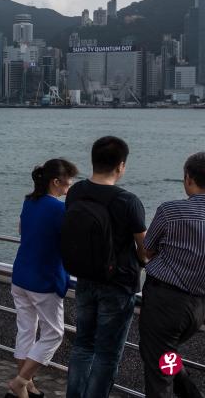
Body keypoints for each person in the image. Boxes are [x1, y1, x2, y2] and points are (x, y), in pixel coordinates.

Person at [65, 136, 147, 398]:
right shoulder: (128, 201)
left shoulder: (76, 192)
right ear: (121, 166)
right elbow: (144, 250)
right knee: (107, 353)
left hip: (85, 278)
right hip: (118, 284)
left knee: (82, 345)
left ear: (93, 160)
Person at [6, 159, 78, 398]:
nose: (72, 184)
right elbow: (70, 243)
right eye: (70, 179)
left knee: (26, 330)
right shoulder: (59, 209)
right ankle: (22, 380)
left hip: (21, 276)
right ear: (56, 182)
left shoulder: (30, 201)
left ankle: (27, 386)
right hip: (43, 280)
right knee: (54, 334)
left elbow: (22, 230)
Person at [139, 152, 205, 398]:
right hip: (198, 307)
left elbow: (148, 250)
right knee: (165, 355)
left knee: (158, 376)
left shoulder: (170, 211)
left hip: (165, 303)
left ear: (188, 178)